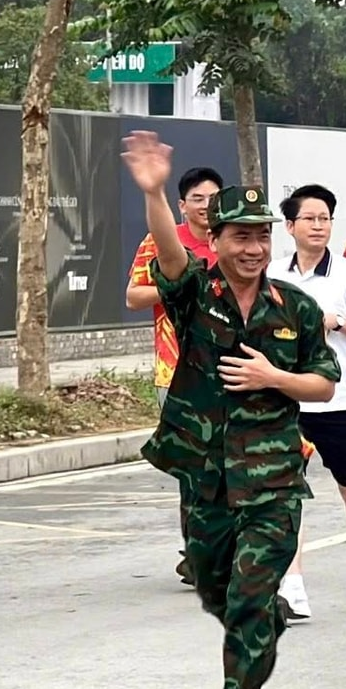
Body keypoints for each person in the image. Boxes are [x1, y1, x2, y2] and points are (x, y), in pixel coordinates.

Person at [122, 131, 340, 689]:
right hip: (207, 476)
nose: (254, 247)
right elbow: (166, 255)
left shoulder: (294, 307)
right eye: (241, 235)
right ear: (214, 241)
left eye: (262, 235)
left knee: (247, 595)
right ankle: (264, 623)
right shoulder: (194, 294)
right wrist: (155, 192)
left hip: (271, 478)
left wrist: (275, 378)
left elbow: (324, 383)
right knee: (217, 589)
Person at [268, 184, 346, 616]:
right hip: (288, 401)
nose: (319, 226)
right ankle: (294, 584)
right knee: (286, 495)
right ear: (290, 226)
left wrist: (338, 322)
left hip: (340, 400)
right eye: (310, 219)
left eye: (325, 219)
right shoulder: (273, 275)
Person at [125, 165, 223, 585]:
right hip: (177, 371)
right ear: (181, 205)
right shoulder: (162, 241)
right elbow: (133, 296)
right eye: (197, 199)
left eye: (213, 198)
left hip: (231, 368)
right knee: (194, 466)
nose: (206, 206)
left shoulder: (234, 240)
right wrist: (182, 286)